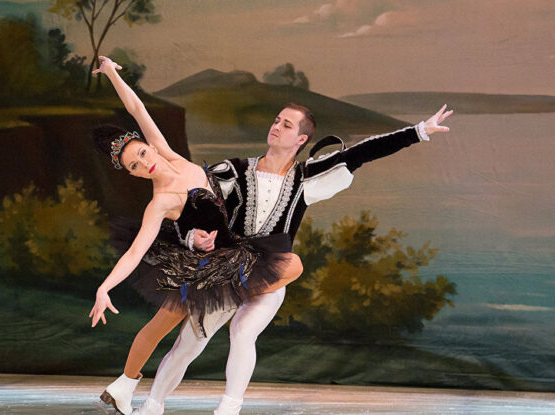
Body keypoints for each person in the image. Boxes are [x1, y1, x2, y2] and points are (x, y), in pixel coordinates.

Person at [132, 104, 453, 415]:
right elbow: (190, 200)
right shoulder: (235, 170)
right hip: (226, 270)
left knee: (243, 331)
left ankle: (228, 409)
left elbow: (361, 152)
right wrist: (190, 236)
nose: (276, 126)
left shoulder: (306, 177)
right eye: (276, 120)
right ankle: (151, 406)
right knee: (189, 342)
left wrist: (419, 131)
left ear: (301, 139)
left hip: (270, 276)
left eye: (286, 124)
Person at [88, 56, 305, 415]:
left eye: (141, 153)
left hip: (232, 256)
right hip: (202, 268)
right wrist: (104, 287)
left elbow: (137, 108)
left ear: (149, 145)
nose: (144, 163)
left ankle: (124, 387)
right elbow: (135, 252)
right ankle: (126, 383)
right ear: (133, 174)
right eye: (134, 166)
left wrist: (111, 73)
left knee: (292, 265)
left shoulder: (171, 157)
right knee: (160, 325)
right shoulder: (159, 202)